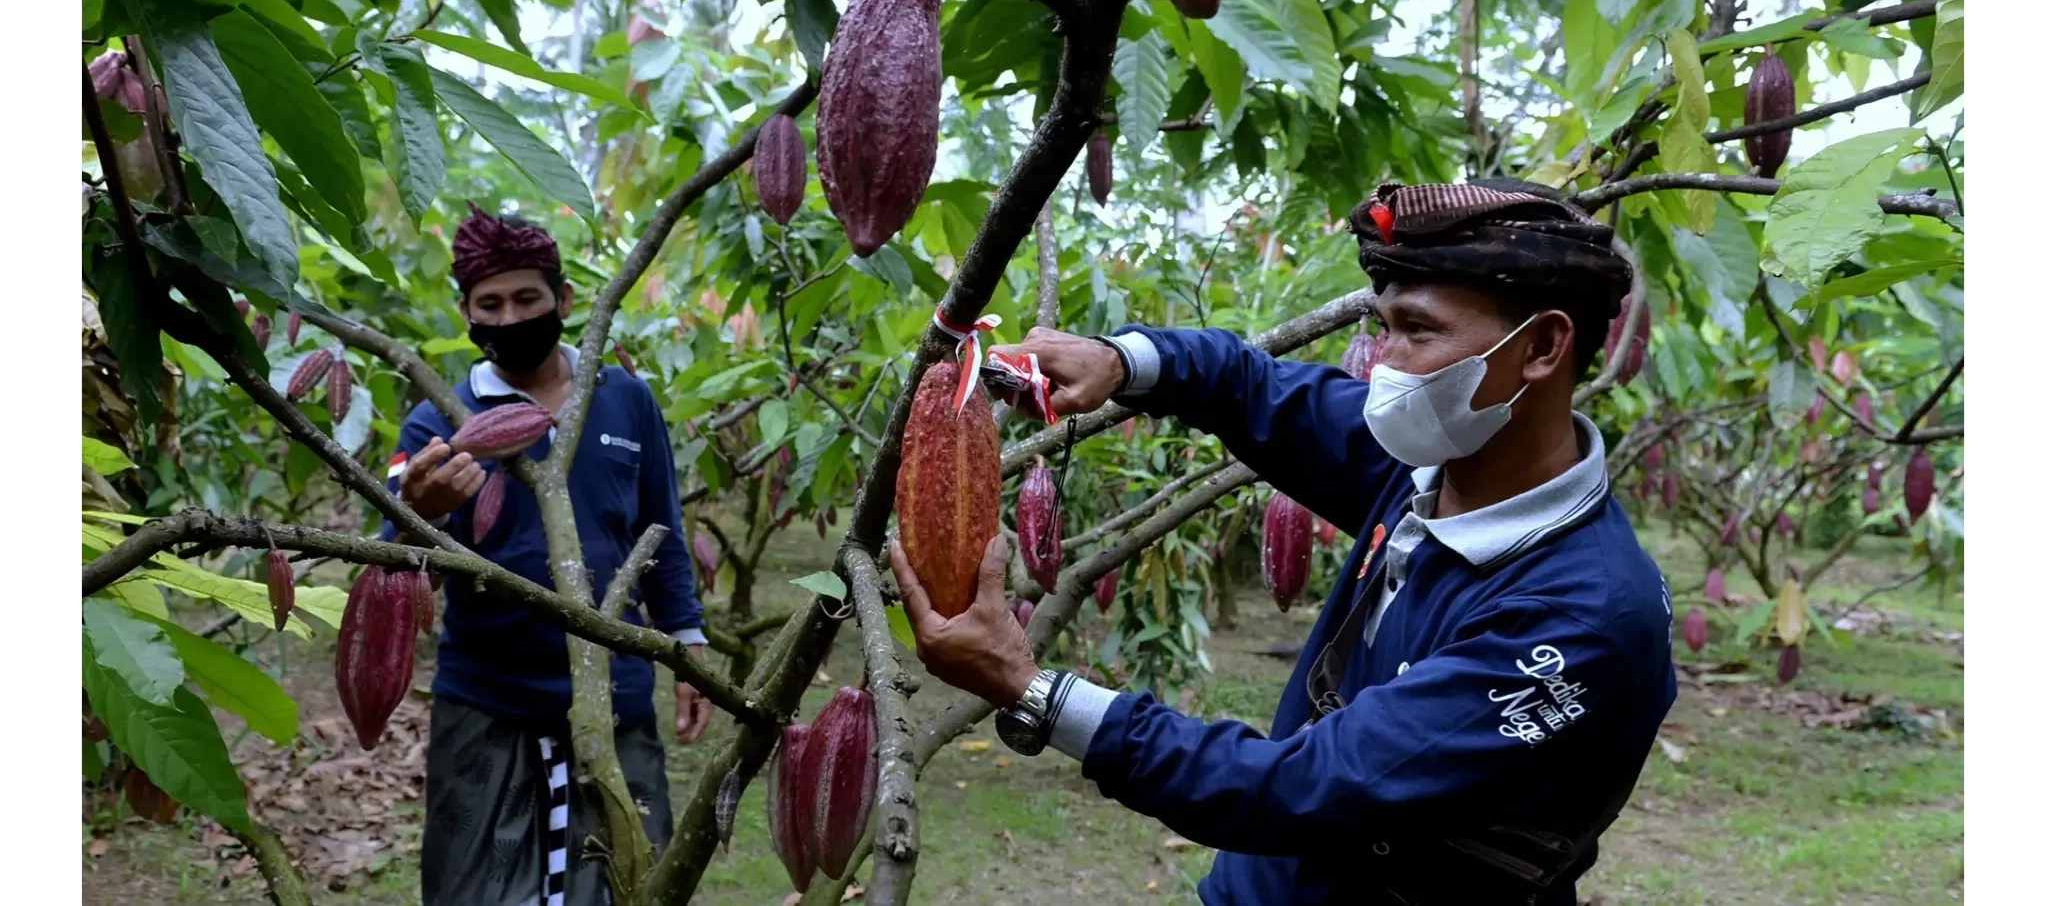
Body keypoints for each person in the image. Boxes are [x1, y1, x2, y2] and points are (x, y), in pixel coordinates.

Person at [890, 179, 1678, 906]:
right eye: (1384, 327)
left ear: (1542, 347)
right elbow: (1247, 384)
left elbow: (1308, 786)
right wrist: (1119, 360)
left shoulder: (1586, 616)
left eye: (1418, 330)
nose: (1387, 364)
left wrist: (1029, 687)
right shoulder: (1432, 464)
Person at [382, 204, 711, 906]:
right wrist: (419, 512)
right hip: (487, 698)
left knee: (629, 887)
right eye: (489, 305)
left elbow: (662, 529)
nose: (509, 317)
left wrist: (688, 640)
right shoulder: (436, 421)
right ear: (466, 314)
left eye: (526, 298)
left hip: (614, 693)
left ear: (562, 299)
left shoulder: (626, 401)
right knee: (473, 893)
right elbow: (391, 567)